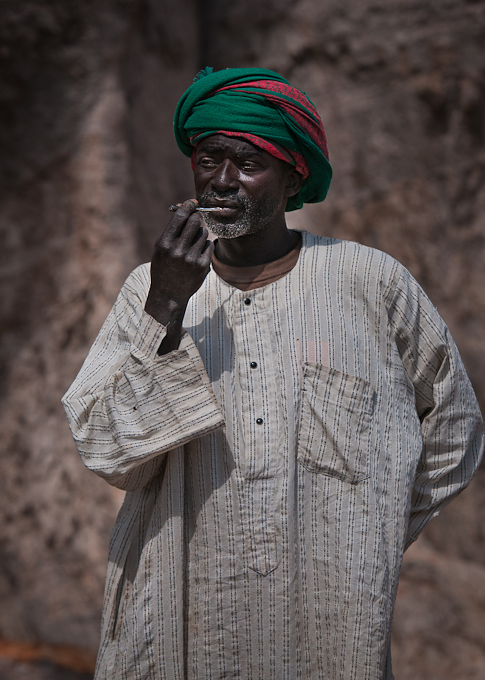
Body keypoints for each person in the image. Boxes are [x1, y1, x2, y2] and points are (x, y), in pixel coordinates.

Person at [62, 67, 484, 680]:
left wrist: (373, 532)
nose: (223, 181)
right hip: (181, 616)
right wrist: (168, 304)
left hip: (329, 623)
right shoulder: (149, 290)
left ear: (293, 179)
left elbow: (454, 430)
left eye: (249, 164)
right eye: (210, 160)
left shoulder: (370, 283)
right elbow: (106, 449)